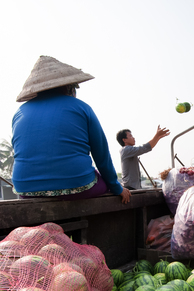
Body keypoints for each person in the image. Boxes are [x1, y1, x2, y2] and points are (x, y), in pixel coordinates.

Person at [12, 55, 131, 203]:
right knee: (105, 183)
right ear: (68, 87)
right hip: (77, 186)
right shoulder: (82, 107)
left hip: (25, 190)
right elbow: (102, 156)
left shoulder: (19, 113)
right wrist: (117, 187)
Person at [116, 126, 170, 190]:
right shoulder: (126, 150)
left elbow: (146, 147)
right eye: (130, 136)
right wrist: (157, 136)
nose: (133, 138)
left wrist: (157, 137)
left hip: (133, 187)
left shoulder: (129, 151)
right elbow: (145, 148)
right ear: (124, 140)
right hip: (130, 187)